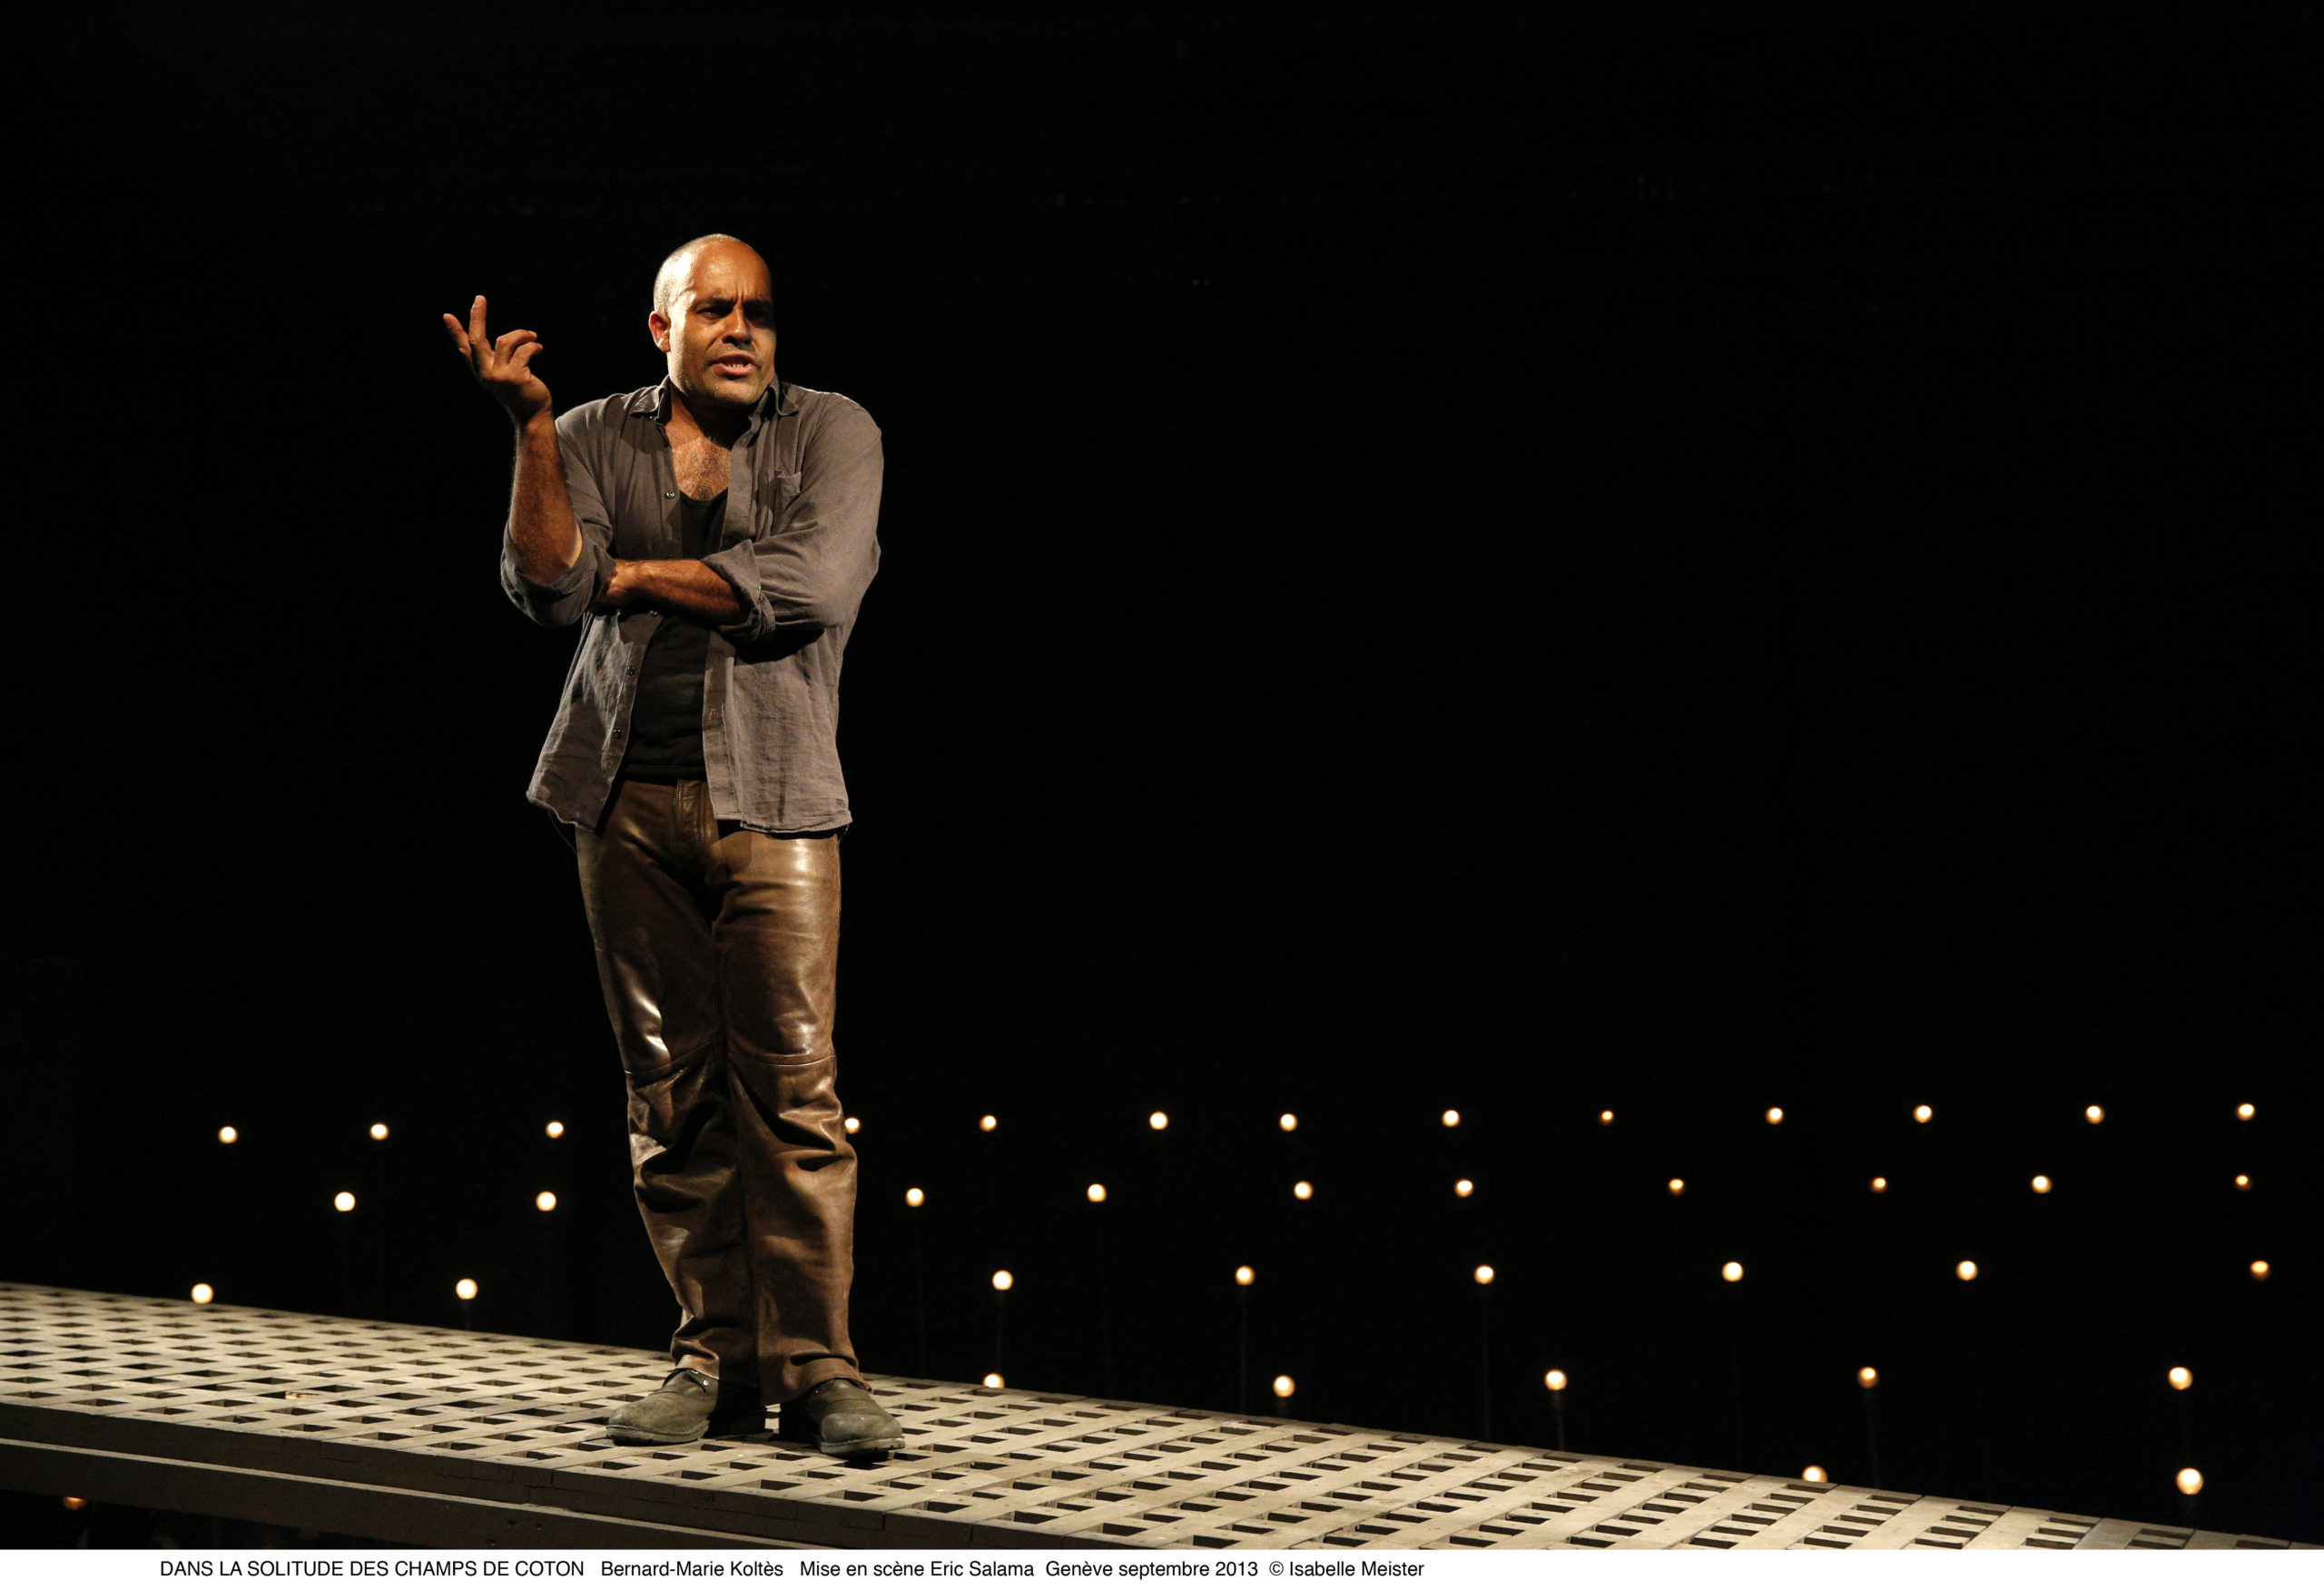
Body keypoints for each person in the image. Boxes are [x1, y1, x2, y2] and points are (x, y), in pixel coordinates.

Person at [442, 234, 902, 1457]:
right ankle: (713, 1354)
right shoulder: (591, 433)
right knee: (669, 1097)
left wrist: (628, 576)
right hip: (619, 801)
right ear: (665, 329)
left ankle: (819, 1369)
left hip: (779, 802)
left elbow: (811, 586)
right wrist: (531, 429)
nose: (743, 328)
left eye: (758, 309)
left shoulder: (831, 431)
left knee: (796, 1097)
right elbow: (545, 585)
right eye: (715, 311)